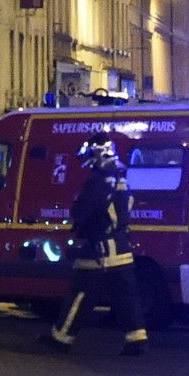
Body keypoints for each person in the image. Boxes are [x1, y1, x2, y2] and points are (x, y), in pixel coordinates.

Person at [38, 133, 148, 356]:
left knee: (80, 293)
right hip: (121, 247)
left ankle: (61, 338)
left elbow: (83, 211)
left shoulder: (97, 181)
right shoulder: (121, 178)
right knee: (126, 296)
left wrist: (78, 222)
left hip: (99, 249)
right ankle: (137, 339)